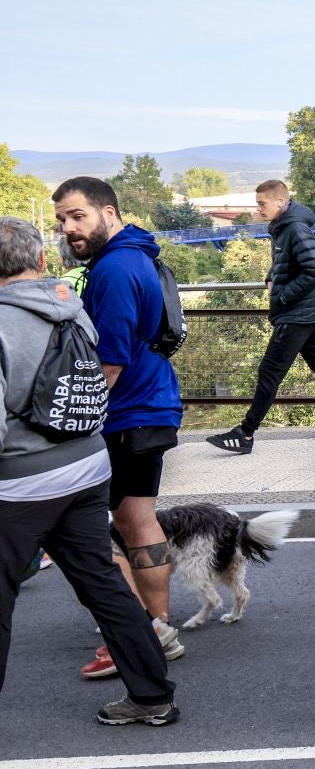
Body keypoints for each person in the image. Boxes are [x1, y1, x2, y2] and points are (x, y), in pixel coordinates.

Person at [0, 217, 177, 726]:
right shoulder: (70, 310)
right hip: (86, 467)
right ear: (38, 261)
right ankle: (152, 697)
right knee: (103, 584)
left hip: (20, 481)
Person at [51, 176, 186, 678]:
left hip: (125, 411)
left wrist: (73, 420)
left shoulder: (113, 269)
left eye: (78, 216)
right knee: (137, 521)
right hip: (151, 406)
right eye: (64, 220)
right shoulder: (138, 254)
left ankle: (136, 632)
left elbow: (110, 360)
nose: (69, 228)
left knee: (89, 531)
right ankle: (156, 626)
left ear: (108, 213)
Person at [206, 179, 315, 455]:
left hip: (296, 314)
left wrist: (284, 295)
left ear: (280, 202)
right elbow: (285, 263)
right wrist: (270, 279)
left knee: (269, 372)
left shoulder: (295, 228)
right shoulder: (283, 227)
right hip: (301, 312)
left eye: (262, 204)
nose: (259, 209)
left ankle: (246, 433)